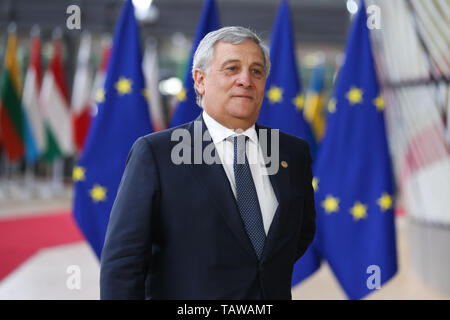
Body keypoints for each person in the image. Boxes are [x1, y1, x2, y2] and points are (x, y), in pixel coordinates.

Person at [100, 26, 316, 300]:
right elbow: (123, 263)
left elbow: (299, 234)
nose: (245, 80)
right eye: (231, 68)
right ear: (200, 80)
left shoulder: (292, 153)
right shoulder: (157, 154)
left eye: (256, 71)